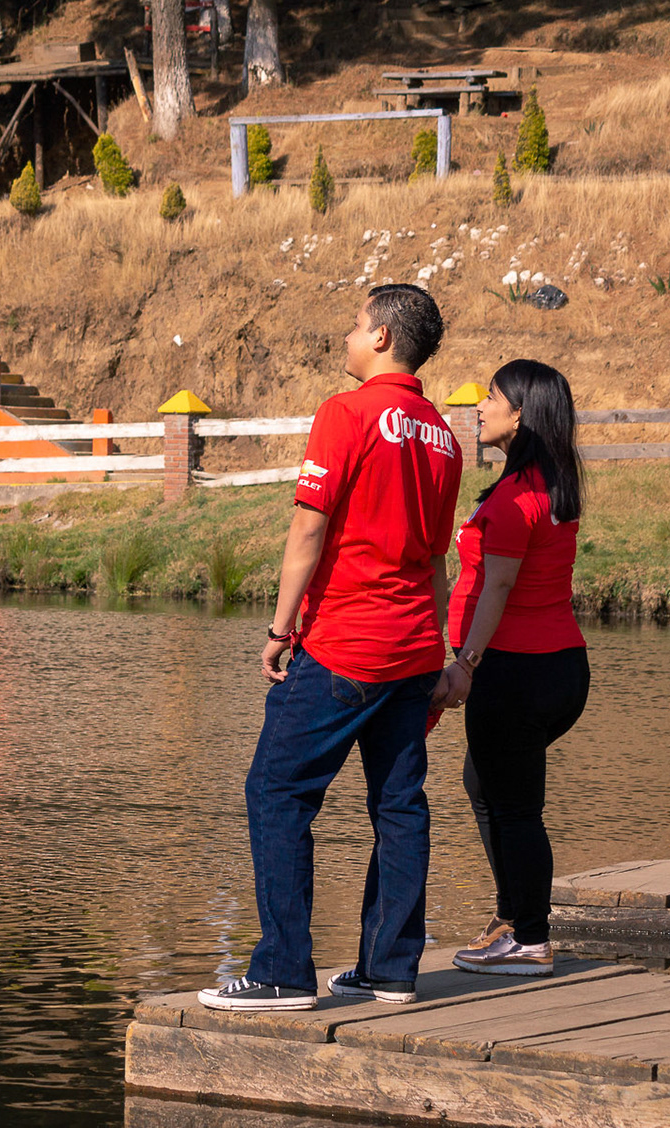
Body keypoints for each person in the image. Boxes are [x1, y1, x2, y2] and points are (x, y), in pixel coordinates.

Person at [198, 285, 463, 1012]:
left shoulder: (345, 413)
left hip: (347, 642)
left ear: (381, 336)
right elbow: (438, 560)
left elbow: (308, 530)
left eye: (354, 325)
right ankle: (389, 969)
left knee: (276, 792)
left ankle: (283, 970)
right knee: (400, 806)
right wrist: (443, 652)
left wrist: (280, 631)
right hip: (412, 649)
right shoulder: (443, 434)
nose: (346, 337)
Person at [436, 360, 588, 978]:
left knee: (515, 806)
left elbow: (497, 587)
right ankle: (513, 917)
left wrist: (466, 663)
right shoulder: (546, 481)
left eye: (492, 396)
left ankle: (528, 937)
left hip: (515, 670)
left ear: (520, 412)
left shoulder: (519, 495)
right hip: (557, 668)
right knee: (488, 787)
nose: (480, 405)